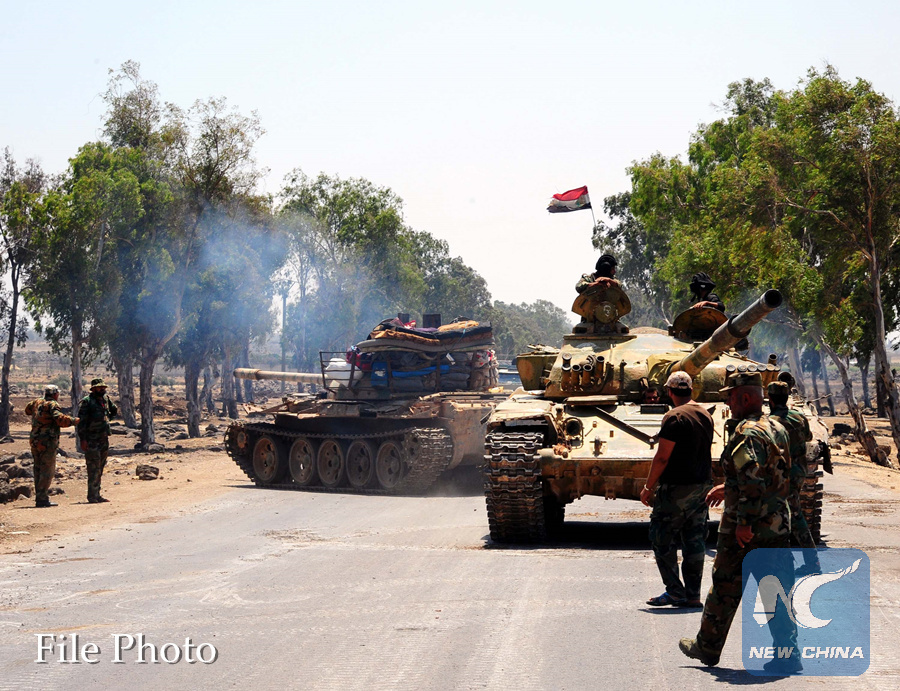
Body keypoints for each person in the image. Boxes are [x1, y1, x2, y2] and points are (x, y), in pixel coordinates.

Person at [679, 371, 798, 671]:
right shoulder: (776, 427)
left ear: (745, 397)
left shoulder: (746, 433)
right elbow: (774, 473)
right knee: (776, 588)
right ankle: (788, 653)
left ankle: (707, 647)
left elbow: (753, 479)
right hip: (777, 523)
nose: (728, 404)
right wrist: (729, 486)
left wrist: (744, 522)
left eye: (730, 397)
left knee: (725, 585)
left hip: (747, 527)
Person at [641, 371, 714, 608]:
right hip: (701, 487)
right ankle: (692, 594)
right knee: (695, 540)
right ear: (691, 390)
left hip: (676, 489)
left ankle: (674, 591)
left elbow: (662, 457)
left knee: (661, 537)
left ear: (669, 391)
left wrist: (648, 487)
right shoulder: (705, 414)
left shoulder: (674, 417)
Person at [768, 379, 816, 549]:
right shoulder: (799, 417)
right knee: (790, 511)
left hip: (781, 473)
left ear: (770, 399)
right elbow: (809, 437)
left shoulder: (770, 422)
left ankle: (810, 557)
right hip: (799, 470)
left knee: (792, 513)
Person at [24, 385, 78, 508]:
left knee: (37, 468)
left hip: (35, 440)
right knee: (47, 470)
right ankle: (42, 499)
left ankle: (40, 497)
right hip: (47, 441)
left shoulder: (37, 402)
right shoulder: (53, 404)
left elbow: (27, 410)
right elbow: (59, 419)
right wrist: (74, 421)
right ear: (55, 394)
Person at [77, 378, 118, 504]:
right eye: (100, 387)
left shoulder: (105, 399)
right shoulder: (87, 402)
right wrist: (83, 440)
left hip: (103, 438)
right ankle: (92, 496)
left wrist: (106, 420)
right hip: (91, 439)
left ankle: (97, 494)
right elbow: (81, 423)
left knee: (100, 467)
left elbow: (114, 410)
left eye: (103, 387)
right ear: (93, 389)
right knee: (93, 468)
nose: (102, 389)